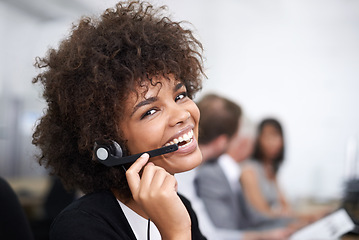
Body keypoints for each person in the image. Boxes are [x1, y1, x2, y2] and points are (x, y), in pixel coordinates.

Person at [32, 1, 206, 239]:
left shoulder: (178, 206)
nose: (182, 115)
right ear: (109, 144)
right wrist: (175, 233)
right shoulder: (80, 227)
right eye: (150, 111)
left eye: (180, 96)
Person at [177, 94, 293, 239]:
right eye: (236, 137)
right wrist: (264, 236)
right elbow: (209, 234)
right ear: (221, 142)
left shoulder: (192, 173)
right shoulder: (189, 176)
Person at [240, 118, 291, 218]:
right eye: (267, 136)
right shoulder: (249, 170)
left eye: (276, 136)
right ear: (258, 139)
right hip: (261, 229)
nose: (273, 142)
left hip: (275, 226)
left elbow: (287, 207)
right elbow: (262, 213)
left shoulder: (271, 170)